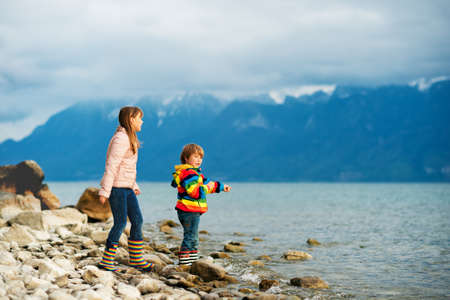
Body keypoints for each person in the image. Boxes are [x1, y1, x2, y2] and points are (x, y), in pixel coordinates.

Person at [97, 106, 157, 272]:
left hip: (127, 187)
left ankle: (137, 259)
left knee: (137, 220)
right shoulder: (120, 139)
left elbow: (127, 167)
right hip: (117, 188)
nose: (142, 121)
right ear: (131, 119)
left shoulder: (130, 137)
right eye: (139, 118)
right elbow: (112, 165)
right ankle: (106, 260)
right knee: (121, 223)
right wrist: (105, 191)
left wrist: (134, 185)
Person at [171, 143, 231, 265]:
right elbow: (194, 192)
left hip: (189, 210)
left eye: (200, 157)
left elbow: (209, 183)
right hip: (188, 210)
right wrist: (206, 188)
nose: (199, 160)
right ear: (186, 158)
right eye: (195, 157)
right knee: (190, 236)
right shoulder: (189, 174)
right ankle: (185, 263)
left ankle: (193, 261)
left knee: (193, 237)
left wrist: (221, 187)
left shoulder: (195, 173)